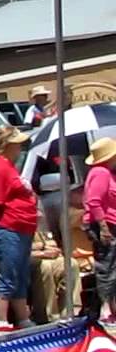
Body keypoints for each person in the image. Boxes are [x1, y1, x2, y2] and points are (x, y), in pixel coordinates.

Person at [0, 126, 37, 331]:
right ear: (7, 146)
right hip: (7, 227)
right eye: (18, 145)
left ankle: (23, 318)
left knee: (21, 275)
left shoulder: (9, 167)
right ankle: (2, 321)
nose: (20, 149)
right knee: (8, 274)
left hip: (22, 227)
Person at [84, 137, 116, 323]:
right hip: (104, 226)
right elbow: (94, 202)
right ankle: (105, 309)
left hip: (110, 224)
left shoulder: (107, 173)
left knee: (113, 267)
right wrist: (103, 228)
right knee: (107, 267)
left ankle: (110, 307)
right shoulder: (101, 173)